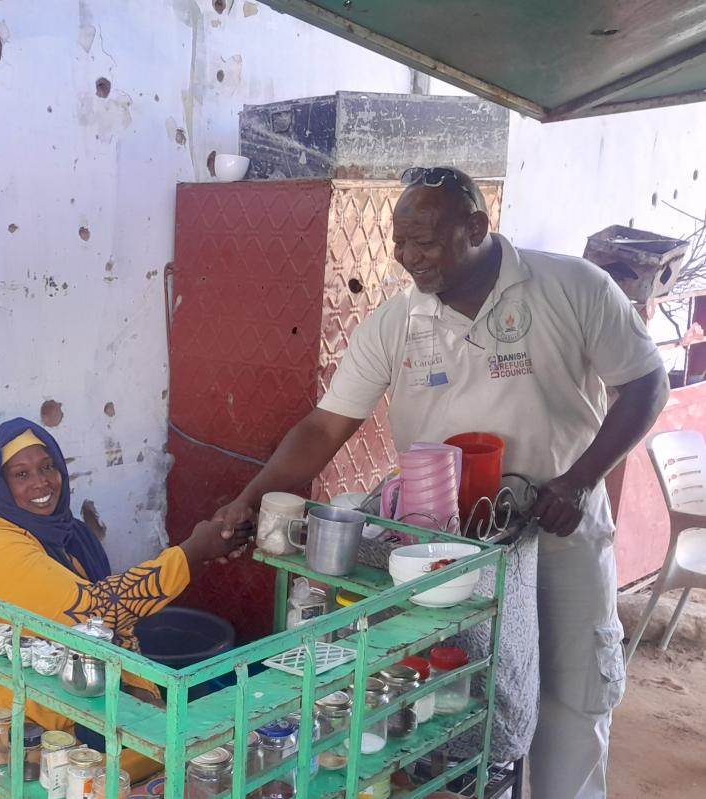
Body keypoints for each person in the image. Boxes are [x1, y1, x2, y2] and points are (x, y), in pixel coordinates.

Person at [211, 167, 667, 799]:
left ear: (476, 228)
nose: (408, 257)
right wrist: (250, 497)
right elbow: (324, 426)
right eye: (400, 243)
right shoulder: (397, 320)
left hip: (560, 525)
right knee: (471, 702)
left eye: (424, 241)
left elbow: (646, 385)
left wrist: (581, 479)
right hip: (449, 554)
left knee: (573, 698)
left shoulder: (570, 286)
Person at [0, 418, 248, 799]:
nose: (41, 482)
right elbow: (98, 608)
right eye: (21, 474)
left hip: (38, 700)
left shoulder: (72, 538)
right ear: (1, 485)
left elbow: (112, 629)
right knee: (10, 787)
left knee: (135, 764)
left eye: (47, 467)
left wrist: (142, 691)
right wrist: (193, 552)